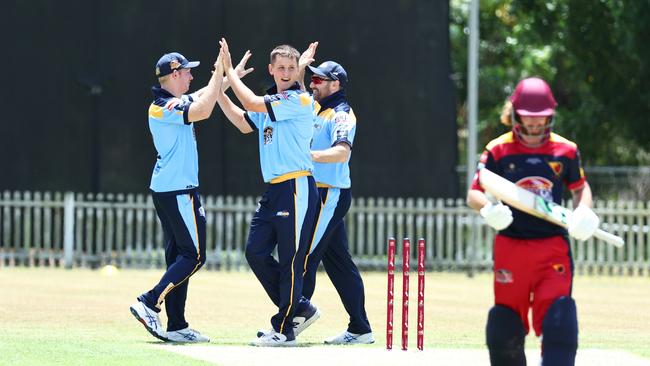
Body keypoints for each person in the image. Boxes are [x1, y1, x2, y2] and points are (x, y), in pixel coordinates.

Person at [467, 77, 600, 366]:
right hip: (511, 247)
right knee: (505, 323)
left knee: (559, 320)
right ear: (515, 114)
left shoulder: (566, 151)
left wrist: (583, 212)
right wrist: (488, 210)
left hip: (552, 247)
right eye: (529, 118)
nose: (535, 125)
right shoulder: (498, 149)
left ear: (551, 116)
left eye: (541, 119)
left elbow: (580, 188)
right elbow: (474, 193)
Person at [129, 48, 252, 343]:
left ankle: (177, 325)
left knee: (178, 258)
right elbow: (204, 109)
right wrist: (220, 72)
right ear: (174, 74)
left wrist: (229, 76)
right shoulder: (163, 106)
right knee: (194, 256)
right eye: (187, 72)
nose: (190, 76)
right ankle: (149, 301)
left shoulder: (172, 101)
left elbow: (202, 96)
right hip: (178, 190)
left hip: (169, 189)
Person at [215, 38, 320, 347]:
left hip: (297, 186)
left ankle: (285, 328)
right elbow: (243, 121)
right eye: (281, 67)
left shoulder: (298, 101)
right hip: (274, 190)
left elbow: (249, 102)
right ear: (271, 70)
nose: (286, 72)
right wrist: (220, 88)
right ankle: (299, 308)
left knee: (290, 260)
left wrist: (229, 73)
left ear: (296, 71)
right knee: (255, 252)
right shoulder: (273, 104)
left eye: (292, 67)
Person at [289, 53, 374, 345]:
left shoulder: (341, 114)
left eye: (318, 80)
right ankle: (360, 328)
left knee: (305, 256)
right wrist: (300, 68)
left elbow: (343, 152)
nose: (312, 84)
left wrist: (309, 156)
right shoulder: (317, 108)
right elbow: (297, 92)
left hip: (330, 193)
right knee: (339, 262)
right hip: (319, 191)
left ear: (335, 84)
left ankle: (289, 322)